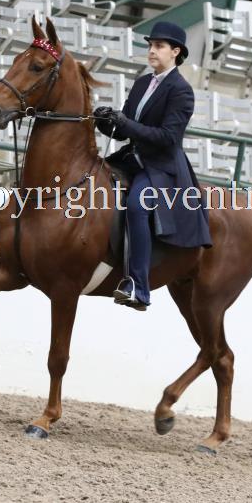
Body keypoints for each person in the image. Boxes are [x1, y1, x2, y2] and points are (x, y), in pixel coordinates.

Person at [93, 21, 212, 311]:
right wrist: (106, 121)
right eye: (150, 45)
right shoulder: (142, 83)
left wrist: (126, 123)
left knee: (137, 206)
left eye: (159, 46)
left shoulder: (181, 90)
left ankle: (139, 286)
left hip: (161, 167)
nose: (152, 51)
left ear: (175, 52)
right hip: (132, 159)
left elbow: (168, 138)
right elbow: (124, 131)